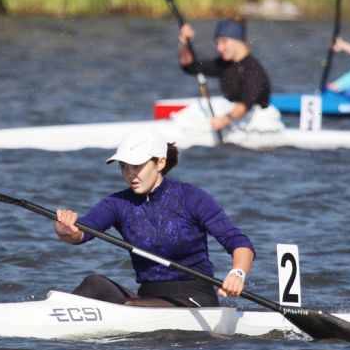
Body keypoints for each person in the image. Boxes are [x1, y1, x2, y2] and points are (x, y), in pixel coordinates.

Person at [54, 126, 254, 308]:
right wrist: (64, 228)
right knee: (94, 283)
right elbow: (80, 234)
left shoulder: (191, 198)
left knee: (131, 306)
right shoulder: (117, 204)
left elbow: (238, 242)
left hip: (195, 298)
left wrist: (237, 273)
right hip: (148, 296)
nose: (130, 175)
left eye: (137, 166)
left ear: (160, 162)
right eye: (124, 166)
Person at [177, 17, 272, 131]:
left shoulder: (253, 70)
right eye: (217, 43)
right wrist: (184, 44)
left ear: (238, 40)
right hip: (235, 118)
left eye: (224, 42)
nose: (219, 48)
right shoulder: (224, 64)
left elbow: (246, 103)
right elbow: (190, 67)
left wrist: (224, 120)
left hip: (260, 122)